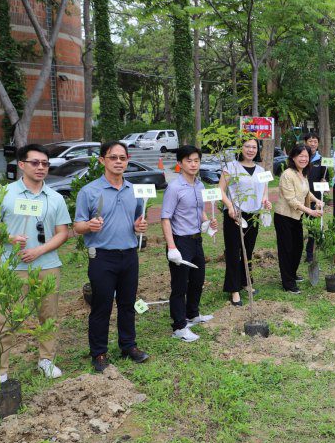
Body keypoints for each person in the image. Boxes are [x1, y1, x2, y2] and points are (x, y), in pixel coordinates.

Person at [0, 144, 71, 384]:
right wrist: (9, 237)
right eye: (35, 163)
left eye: (45, 163)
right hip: (12, 268)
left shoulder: (55, 198)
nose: (41, 167)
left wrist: (39, 250)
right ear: (22, 165)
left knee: (49, 317)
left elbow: (62, 233)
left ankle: (46, 360)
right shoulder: (3, 194)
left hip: (47, 266)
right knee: (5, 320)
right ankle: (0, 371)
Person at [74, 142, 149, 373]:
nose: (118, 162)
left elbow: (137, 220)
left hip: (128, 255)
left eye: (122, 158)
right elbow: (77, 226)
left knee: (127, 304)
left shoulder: (133, 190)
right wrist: (88, 225)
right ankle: (99, 352)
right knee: (101, 306)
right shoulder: (89, 191)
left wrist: (140, 225)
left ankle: (128, 346)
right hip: (102, 257)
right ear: (102, 160)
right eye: (113, 157)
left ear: (127, 160)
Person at [161, 145, 218, 342]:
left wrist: (207, 221)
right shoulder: (174, 188)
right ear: (180, 164)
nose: (193, 164)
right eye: (189, 161)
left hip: (196, 240)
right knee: (179, 285)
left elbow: (199, 209)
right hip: (180, 241)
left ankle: (192, 314)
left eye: (196, 160)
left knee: (197, 279)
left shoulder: (199, 185)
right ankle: (179, 327)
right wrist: (171, 247)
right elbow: (165, 218)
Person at [219, 138, 272, 306]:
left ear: (258, 150)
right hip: (235, 216)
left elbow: (264, 192)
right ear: (240, 148)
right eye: (247, 146)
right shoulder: (231, 167)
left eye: (254, 147)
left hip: (253, 215)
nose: (250, 150)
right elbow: (220, 190)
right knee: (234, 252)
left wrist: (266, 201)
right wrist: (230, 207)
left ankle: (246, 282)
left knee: (248, 251)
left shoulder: (262, 170)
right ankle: (234, 289)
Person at [275, 144, 323, 293]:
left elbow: (306, 193)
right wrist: (310, 211)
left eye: (306, 156)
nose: (303, 159)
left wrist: (316, 200)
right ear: (293, 157)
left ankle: (292, 274)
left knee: (297, 247)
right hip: (284, 216)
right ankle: (287, 283)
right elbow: (291, 200)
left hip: (296, 216)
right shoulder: (287, 174)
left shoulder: (303, 173)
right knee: (286, 249)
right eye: (300, 156)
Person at [304, 132, 330, 263]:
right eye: (310, 141)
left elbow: (326, 180)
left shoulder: (322, 161)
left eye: (315, 141)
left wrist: (324, 182)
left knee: (312, 227)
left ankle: (310, 253)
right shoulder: (301, 158)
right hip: (299, 197)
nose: (313, 144)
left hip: (314, 198)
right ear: (305, 142)